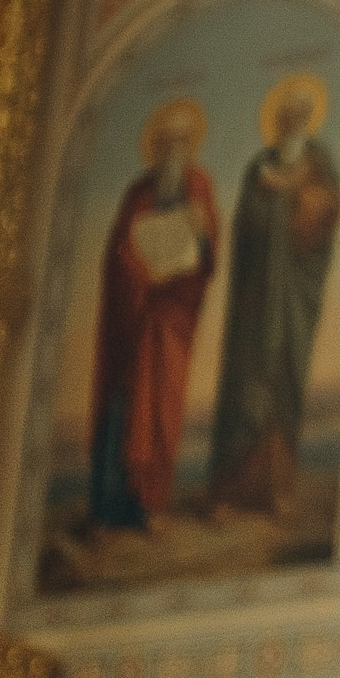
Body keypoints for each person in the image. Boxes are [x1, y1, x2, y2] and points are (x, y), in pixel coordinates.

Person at [208, 72, 340, 518]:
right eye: (286, 115)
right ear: (278, 120)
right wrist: (269, 207)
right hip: (254, 299)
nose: (292, 121)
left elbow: (326, 213)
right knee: (245, 387)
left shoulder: (319, 163)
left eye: (300, 114)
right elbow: (244, 223)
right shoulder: (257, 167)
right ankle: (231, 491)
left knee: (283, 382)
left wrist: (296, 202)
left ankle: (276, 491)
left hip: (290, 302)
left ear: (308, 119)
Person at [87, 99, 218, 532]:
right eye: (165, 140)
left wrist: (197, 243)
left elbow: (208, 255)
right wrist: (142, 274)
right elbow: (119, 256)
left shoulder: (199, 189)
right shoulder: (138, 195)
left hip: (172, 323)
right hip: (136, 323)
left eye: (182, 139)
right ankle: (114, 504)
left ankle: (149, 500)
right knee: (126, 411)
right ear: (154, 146)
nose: (173, 148)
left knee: (160, 411)